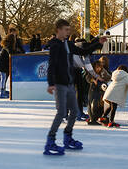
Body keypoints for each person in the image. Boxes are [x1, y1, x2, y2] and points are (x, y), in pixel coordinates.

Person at [44, 19, 105, 156]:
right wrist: (51, 83)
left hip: (70, 83)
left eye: (68, 30)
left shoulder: (68, 44)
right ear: (58, 29)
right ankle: (50, 141)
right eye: (66, 30)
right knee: (61, 113)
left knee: (74, 111)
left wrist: (97, 42)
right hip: (60, 84)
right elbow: (52, 65)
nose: (68, 32)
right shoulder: (54, 45)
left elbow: (83, 51)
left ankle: (67, 137)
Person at [0, 34, 21, 99]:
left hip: (4, 64)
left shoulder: (9, 45)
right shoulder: (7, 45)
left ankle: (3, 90)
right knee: (3, 77)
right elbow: (11, 52)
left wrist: (17, 51)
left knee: (4, 78)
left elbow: (12, 52)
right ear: (12, 39)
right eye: (14, 38)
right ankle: (1, 92)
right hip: (1, 64)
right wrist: (17, 52)